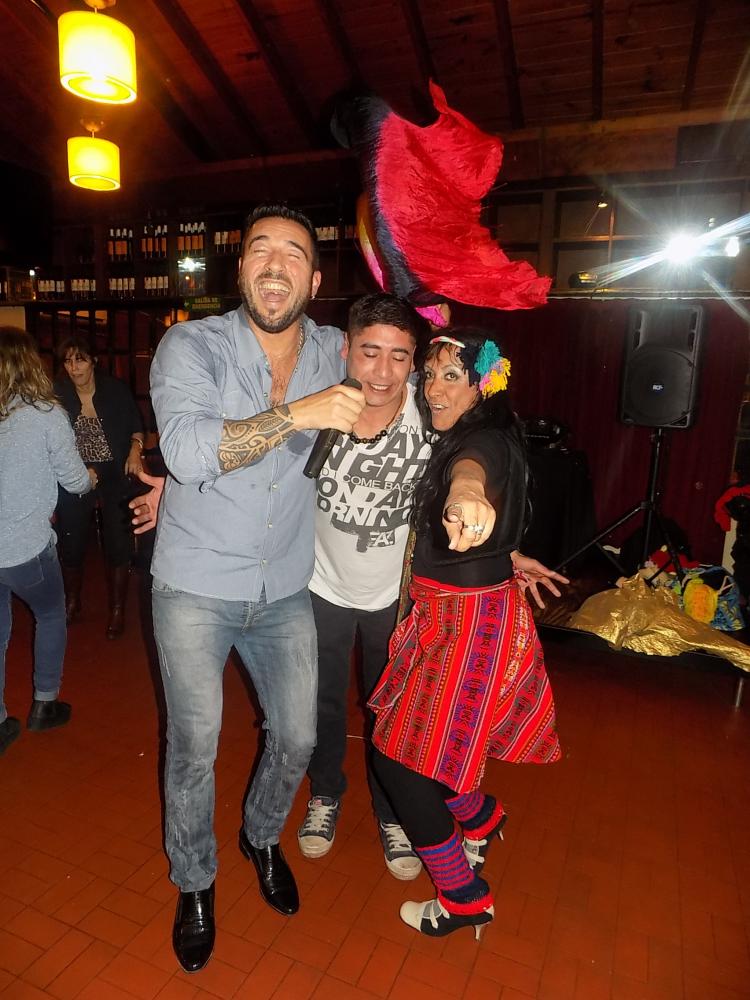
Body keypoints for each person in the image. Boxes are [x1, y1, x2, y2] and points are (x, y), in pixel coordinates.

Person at [148, 203, 366, 974]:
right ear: (240, 268)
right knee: (194, 744)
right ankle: (194, 880)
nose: (276, 265)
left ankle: (261, 836)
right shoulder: (191, 345)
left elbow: (412, 365)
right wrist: (301, 412)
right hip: (194, 584)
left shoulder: (335, 349)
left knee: (299, 736)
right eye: (261, 250)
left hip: (283, 586)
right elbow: (187, 452)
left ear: (315, 279)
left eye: (294, 253)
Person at [368, 328, 562, 940]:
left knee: (399, 760)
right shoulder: (486, 432)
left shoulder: (478, 443)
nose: (433, 388)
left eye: (452, 376)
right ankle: (479, 818)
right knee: (423, 744)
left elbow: (473, 476)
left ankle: (463, 898)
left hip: (465, 626)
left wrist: (467, 496)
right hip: (461, 612)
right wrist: (506, 553)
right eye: (430, 374)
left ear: (484, 384)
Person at [298, 293, 432, 879]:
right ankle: (326, 791)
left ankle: (392, 809)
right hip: (319, 586)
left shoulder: (429, 415)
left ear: (414, 361)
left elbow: (483, 453)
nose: (382, 371)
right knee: (321, 702)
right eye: (369, 352)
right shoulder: (319, 405)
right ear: (346, 350)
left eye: (399, 356)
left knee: (392, 711)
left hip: (394, 598)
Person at [0, 326, 96, 756]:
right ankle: (44, 704)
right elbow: (74, 480)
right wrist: (90, 478)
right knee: (52, 614)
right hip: (25, 549)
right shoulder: (45, 414)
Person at [54, 335, 144, 639]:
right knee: (71, 537)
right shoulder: (58, 393)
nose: (74, 367)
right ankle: (72, 601)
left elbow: (136, 426)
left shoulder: (114, 390)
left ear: (93, 360)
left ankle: (117, 609)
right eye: (68, 361)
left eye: (80, 359)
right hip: (75, 472)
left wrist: (135, 450)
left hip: (114, 470)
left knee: (118, 538)